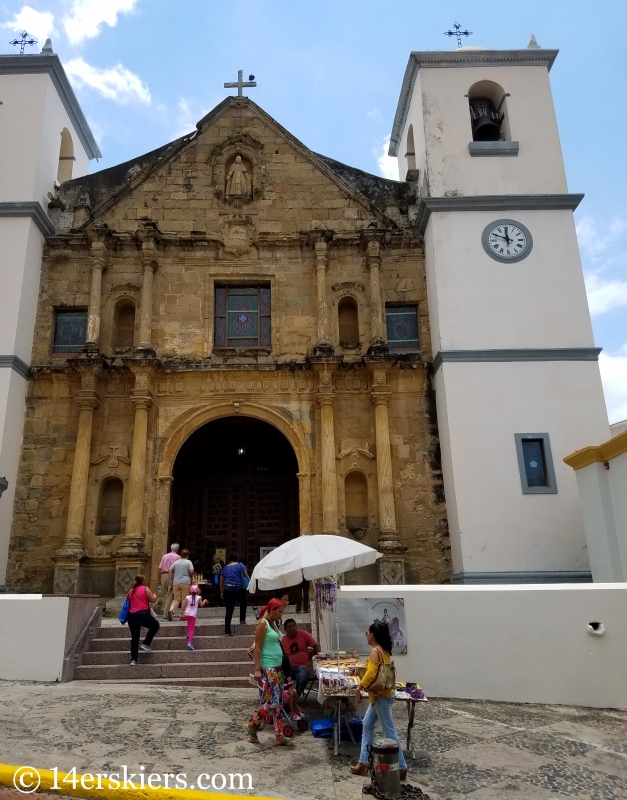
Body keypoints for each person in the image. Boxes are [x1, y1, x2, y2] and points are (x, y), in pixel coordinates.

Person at [350, 622, 407, 780]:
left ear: (372, 635)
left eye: (367, 632)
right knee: (367, 724)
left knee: (389, 731)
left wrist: (358, 688)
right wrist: (357, 670)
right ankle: (363, 763)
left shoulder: (376, 650)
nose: (366, 635)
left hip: (381, 698)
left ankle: (401, 767)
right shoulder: (382, 650)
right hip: (382, 695)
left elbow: (370, 675)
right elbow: (371, 670)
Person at [246, 598, 292, 747]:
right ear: (271, 610)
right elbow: (258, 647)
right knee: (273, 702)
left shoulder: (273, 624)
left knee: (278, 703)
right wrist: (258, 669)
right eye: (279, 612)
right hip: (268, 668)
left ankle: (279, 735)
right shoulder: (262, 624)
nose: (281, 615)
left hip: (277, 668)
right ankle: (253, 724)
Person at [127, 574, 160, 666]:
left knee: (135, 637)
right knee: (155, 625)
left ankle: (133, 660)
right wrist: (155, 596)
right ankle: (146, 643)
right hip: (142, 614)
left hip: (131, 616)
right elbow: (152, 600)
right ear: (142, 581)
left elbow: (129, 601)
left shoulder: (131, 591)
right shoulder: (145, 588)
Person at [281, 618, 319, 696]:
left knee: (303, 677)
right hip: (288, 668)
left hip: (301, 667)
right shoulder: (283, 640)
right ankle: (285, 697)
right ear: (285, 629)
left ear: (296, 626)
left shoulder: (304, 634)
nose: (292, 628)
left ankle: (295, 696)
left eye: (293, 626)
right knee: (280, 677)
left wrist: (317, 655)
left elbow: (315, 646)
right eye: (289, 627)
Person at [220, 552, 249, 635]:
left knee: (229, 610)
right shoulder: (241, 566)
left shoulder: (225, 568)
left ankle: (227, 630)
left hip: (228, 589)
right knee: (243, 601)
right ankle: (242, 619)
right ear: (237, 558)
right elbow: (246, 576)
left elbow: (222, 581)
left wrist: (222, 591)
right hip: (239, 588)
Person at [180, 576, 208, 650]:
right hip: (193, 615)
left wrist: (182, 613)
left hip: (187, 614)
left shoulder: (187, 597)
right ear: (197, 591)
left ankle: (188, 633)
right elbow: (201, 605)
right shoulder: (199, 598)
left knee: (188, 623)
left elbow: (184, 605)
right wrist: (205, 601)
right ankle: (190, 642)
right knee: (192, 628)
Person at [168, 548, 194, 621]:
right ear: (187, 555)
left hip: (176, 582)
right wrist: (192, 575)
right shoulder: (188, 562)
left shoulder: (176, 562)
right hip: (185, 582)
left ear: (181, 555)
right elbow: (191, 571)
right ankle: (182, 615)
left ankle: (171, 610)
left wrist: (170, 579)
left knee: (176, 599)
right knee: (184, 599)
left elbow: (170, 570)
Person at [158, 543, 180, 619]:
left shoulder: (165, 556)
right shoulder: (178, 557)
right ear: (177, 549)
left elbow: (160, 568)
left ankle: (165, 611)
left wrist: (159, 579)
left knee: (164, 595)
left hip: (163, 575)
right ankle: (166, 614)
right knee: (170, 595)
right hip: (172, 576)